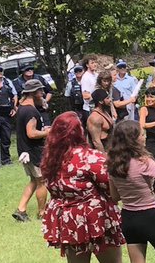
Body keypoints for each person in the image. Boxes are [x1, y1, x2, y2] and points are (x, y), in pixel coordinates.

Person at [41, 111, 124, 263]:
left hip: (69, 220)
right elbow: (110, 185)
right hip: (97, 218)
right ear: (79, 132)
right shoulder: (89, 157)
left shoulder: (50, 160)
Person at [106, 121, 155, 263]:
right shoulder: (144, 163)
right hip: (150, 217)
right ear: (133, 140)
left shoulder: (112, 164)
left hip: (128, 218)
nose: (145, 136)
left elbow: (115, 197)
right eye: (142, 134)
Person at [10, 78, 50, 222]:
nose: (43, 94)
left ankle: (21, 209)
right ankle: (42, 213)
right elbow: (31, 133)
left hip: (25, 150)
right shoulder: (31, 111)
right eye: (40, 91)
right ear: (33, 93)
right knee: (42, 181)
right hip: (34, 152)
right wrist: (47, 132)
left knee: (33, 180)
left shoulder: (22, 108)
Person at [87, 89, 116, 153]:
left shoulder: (105, 112)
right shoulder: (95, 118)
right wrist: (104, 158)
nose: (110, 100)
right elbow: (96, 142)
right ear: (100, 101)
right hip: (100, 154)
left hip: (110, 151)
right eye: (107, 98)